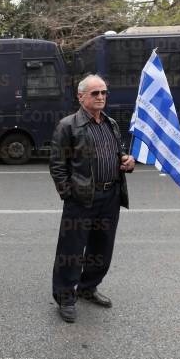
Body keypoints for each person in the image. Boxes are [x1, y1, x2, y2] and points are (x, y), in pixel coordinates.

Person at [49, 74, 135, 323]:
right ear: (81, 96)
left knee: (102, 247)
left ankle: (88, 287)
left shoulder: (110, 123)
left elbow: (117, 155)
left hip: (110, 195)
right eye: (95, 93)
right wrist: (69, 194)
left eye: (104, 93)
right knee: (72, 250)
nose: (100, 97)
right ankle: (65, 297)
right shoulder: (68, 125)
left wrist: (127, 161)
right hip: (82, 198)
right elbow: (57, 165)